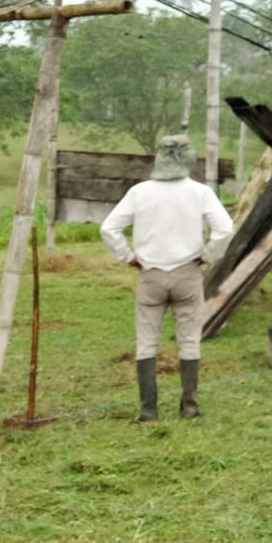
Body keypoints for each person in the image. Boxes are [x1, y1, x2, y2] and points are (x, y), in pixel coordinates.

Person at [100, 134, 233, 422]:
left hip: (151, 274)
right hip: (188, 273)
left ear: (159, 158)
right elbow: (224, 229)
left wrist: (129, 256)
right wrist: (207, 255)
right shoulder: (200, 192)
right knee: (190, 340)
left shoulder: (140, 192)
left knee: (146, 341)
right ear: (188, 158)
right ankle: (189, 406)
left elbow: (109, 228)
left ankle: (149, 409)